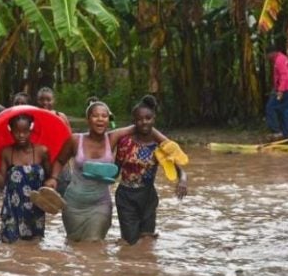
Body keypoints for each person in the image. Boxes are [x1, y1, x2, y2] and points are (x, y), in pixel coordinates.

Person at [44, 99, 167, 242]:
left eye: (104, 116)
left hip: (100, 203)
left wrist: (168, 144)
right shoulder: (75, 140)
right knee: (74, 244)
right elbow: (60, 161)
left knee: (94, 243)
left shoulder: (112, 138)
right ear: (88, 119)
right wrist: (53, 178)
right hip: (74, 204)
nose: (100, 119)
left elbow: (142, 126)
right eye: (96, 116)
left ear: (109, 119)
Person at [115, 95, 188, 245]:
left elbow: (179, 169)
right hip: (126, 197)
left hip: (148, 196)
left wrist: (183, 181)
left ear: (154, 119)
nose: (144, 122)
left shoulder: (159, 146)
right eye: (140, 119)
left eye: (148, 118)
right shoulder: (125, 142)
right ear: (134, 121)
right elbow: (115, 170)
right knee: (130, 243)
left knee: (147, 241)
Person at [0, 114, 50, 243]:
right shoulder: (6, 152)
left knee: (35, 249)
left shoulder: (42, 151)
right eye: (17, 132)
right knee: (10, 249)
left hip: (35, 211)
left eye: (25, 131)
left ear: (31, 130)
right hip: (12, 210)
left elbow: (49, 182)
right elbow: (2, 184)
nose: (21, 136)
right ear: (10, 131)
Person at [265, 45, 288, 140]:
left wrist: (280, 91)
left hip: (285, 90)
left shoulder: (279, 61)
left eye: (267, 55)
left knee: (271, 107)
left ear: (272, 53)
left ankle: (277, 131)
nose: (267, 57)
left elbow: (284, 76)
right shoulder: (282, 58)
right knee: (286, 112)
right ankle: (287, 136)